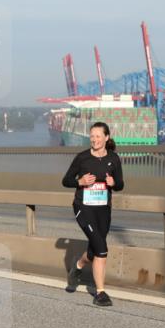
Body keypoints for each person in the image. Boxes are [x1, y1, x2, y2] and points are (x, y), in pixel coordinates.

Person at [62, 121, 124, 307]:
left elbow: (121, 185)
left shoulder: (113, 158)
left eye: (98, 136)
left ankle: (78, 265)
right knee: (102, 249)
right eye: (92, 136)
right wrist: (80, 181)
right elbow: (65, 180)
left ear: (106, 137)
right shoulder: (82, 158)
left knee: (96, 247)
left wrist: (114, 183)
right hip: (84, 207)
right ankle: (100, 293)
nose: (94, 140)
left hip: (103, 209)